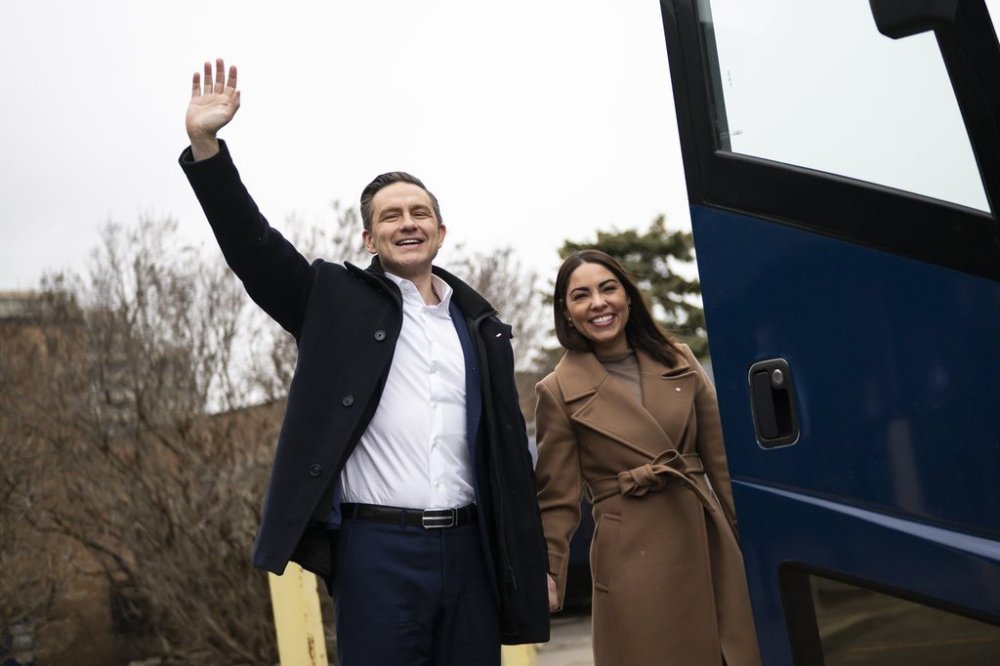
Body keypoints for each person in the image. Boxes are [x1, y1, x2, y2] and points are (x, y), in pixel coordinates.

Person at [179, 58, 549, 665]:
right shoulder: (332, 300)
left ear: (441, 230)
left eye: (419, 214)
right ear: (369, 240)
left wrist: (530, 564)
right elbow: (254, 247)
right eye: (390, 217)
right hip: (377, 548)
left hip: (470, 549)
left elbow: (508, 460)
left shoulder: (481, 327)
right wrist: (207, 147)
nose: (408, 224)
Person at [534, 249, 761, 665]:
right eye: (581, 296)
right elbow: (557, 496)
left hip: (705, 536)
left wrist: (758, 542)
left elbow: (722, 463)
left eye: (608, 289)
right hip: (631, 555)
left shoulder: (680, 361)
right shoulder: (557, 391)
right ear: (566, 313)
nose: (598, 303)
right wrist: (548, 571)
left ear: (628, 297)